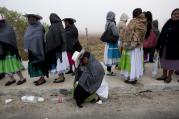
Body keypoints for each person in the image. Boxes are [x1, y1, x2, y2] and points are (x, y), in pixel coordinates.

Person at [120, 8, 147, 84]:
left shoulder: (133, 21)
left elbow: (127, 32)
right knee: (135, 62)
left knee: (131, 61)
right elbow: (142, 33)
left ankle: (130, 77)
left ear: (134, 14)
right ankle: (134, 77)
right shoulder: (144, 22)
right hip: (138, 46)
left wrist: (124, 36)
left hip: (131, 45)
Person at [0, 14, 26, 86]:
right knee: (5, 66)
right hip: (2, 52)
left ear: (3, 21)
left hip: (10, 51)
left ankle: (22, 78)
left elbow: (11, 39)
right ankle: (12, 79)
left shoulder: (8, 28)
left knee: (14, 65)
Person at [156, 8, 179, 83]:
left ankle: (169, 77)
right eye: (174, 14)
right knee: (164, 60)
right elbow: (162, 34)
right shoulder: (168, 23)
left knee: (172, 62)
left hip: (175, 48)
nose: (176, 15)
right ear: (171, 15)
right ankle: (164, 75)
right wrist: (158, 45)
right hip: (165, 46)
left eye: (178, 14)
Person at [24, 14, 48, 86]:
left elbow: (40, 38)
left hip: (39, 48)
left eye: (30, 18)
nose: (29, 20)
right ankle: (40, 77)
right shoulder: (29, 27)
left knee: (40, 63)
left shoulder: (40, 27)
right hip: (31, 49)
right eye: (28, 18)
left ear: (35, 18)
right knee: (34, 63)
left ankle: (42, 79)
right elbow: (27, 36)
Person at [46, 13, 70, 83]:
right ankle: (61, 76)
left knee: (59, 63)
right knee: (60, 63)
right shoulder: (60, 25)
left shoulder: (54, 26)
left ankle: (61, 77)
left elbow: (53, 38)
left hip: (58, 49)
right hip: (61, 49)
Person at [103, 11, 120, 76]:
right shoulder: (112, 23)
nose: (114, 17)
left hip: (108, 42)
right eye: (114, 16)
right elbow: (115, 33)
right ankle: (109, 71)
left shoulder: (106, 23)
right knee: (112, 56)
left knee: (108, 56)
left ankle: (108, 71)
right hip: (112, 42)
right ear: (112, 16)